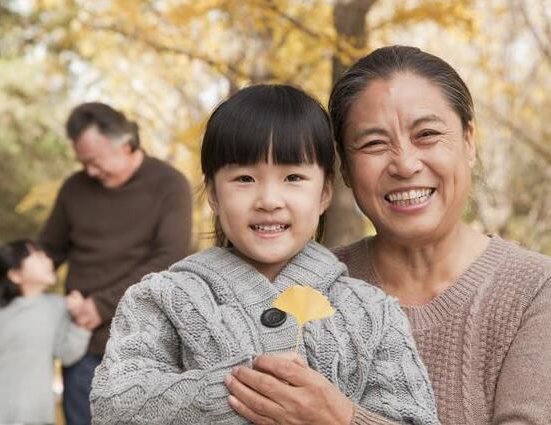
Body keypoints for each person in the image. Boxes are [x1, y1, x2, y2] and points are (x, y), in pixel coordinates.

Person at [226, 46, 551, 425]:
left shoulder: (535, 290)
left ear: (469, 141)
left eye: (427, 134)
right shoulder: (306, 289)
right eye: (374, 144)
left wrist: (343, 419)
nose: (405, 164)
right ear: (344, 169)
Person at [89, 84, 439, 424]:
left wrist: (338, 417)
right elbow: (113, 405)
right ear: (213, 194)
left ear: (324, 193)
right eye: (244, 178)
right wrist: (249, 391)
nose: (269, 200)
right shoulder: (162, 298)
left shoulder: (372, 313)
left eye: (293, 177)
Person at [39, 102, 193, 425]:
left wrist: (102, 305)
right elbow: (47, 252)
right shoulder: (74, 189)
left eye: (95, 162)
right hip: (82, 345)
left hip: (145, 349)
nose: (90, 172)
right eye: (83, 163)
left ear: (125, 143)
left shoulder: (170, 186)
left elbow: (170, 261)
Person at [0, 239, 91, 424]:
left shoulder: (58, 307)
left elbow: (66, 354)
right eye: (37, 256)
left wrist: (82, 323)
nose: (47, 259)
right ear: (16, 275)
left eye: (45, 254)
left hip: (32, 410)